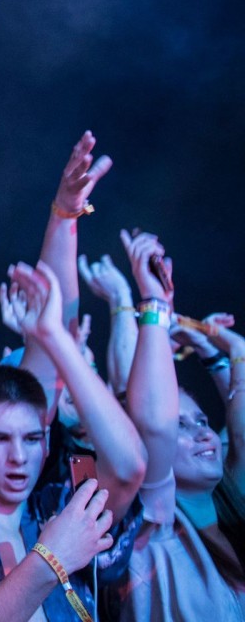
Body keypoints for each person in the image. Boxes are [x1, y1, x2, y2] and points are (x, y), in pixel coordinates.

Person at [0, 258, 146, 621]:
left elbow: (130, 469)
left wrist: (55, 337)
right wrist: (52, 558)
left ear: (47, 443)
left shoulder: (58, 506)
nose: (18, 456)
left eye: (32, 439)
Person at [113, 229, 245, 619]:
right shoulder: (152, 526)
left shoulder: (233, 507)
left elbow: (239, 431)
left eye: (202, 421)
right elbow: (152, 420)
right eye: (180, 425)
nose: (204, 432)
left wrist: (224, 350)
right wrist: (147, 303)